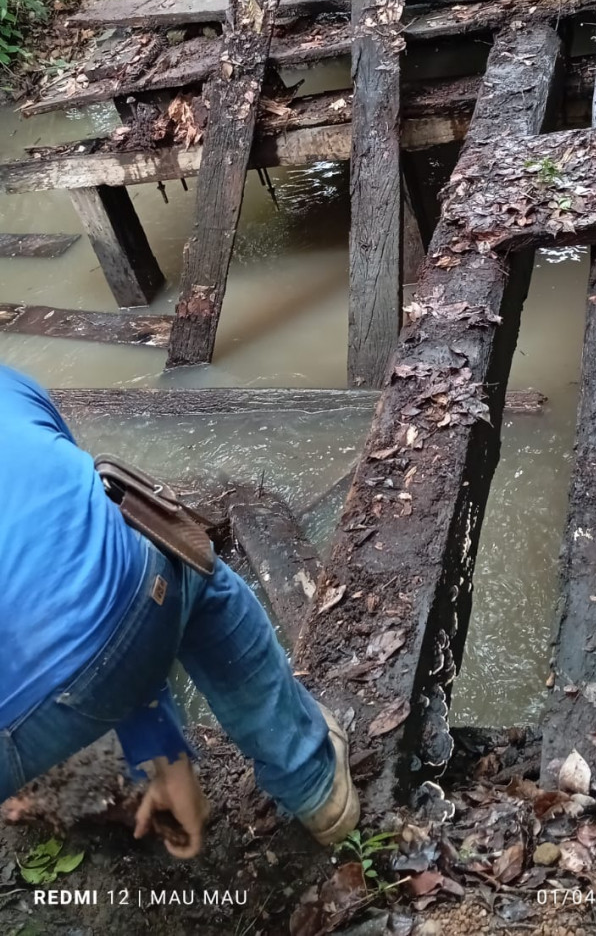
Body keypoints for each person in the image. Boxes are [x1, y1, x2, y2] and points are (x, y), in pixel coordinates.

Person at [0, 364, 359, 858]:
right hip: (136, 590)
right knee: (188, 569)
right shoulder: (12, 387)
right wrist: (163, 752)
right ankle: (315, 785)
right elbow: (90, 566)